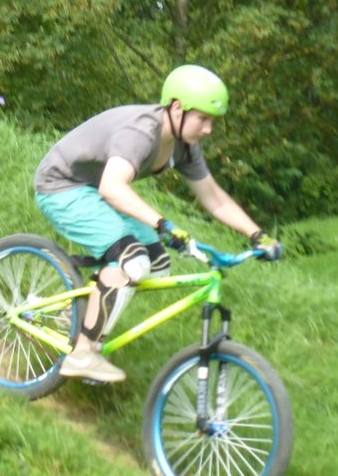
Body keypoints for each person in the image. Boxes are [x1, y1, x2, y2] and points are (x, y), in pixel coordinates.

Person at [33, 64, 282, 384]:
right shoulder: (141, 133)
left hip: (94, 191)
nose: (209, 129)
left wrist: (257, 235)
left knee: (157, 263)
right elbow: (112, 187)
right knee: (132, 259)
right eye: (203, 119)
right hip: (62, 187)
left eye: (213, 121)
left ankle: (74, 313)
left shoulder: (184, 146)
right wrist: (162, 224)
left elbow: (214, 198)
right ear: (177, 108)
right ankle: (82, 353)